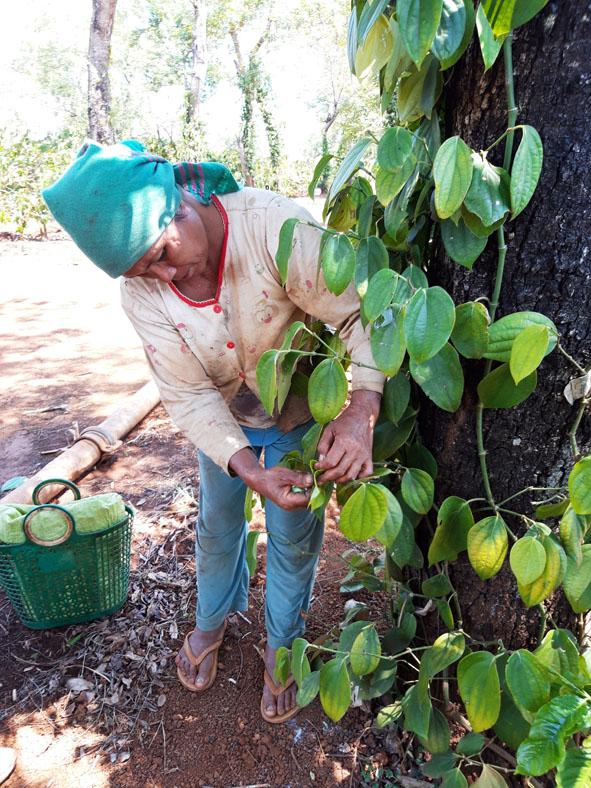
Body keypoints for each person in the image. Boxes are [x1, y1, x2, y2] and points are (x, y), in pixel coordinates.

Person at [43, 140, 384, 723]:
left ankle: (284, 643)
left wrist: (361, 409)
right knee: (218, 525)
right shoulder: (141, 291)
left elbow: (359, 313)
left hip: (298, 418)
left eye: (161, 253)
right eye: (143, 269)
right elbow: (188, 393)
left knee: (294, 537)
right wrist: (248, 469)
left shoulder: (275, 228)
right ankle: (212, 620)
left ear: (177, 203)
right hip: (225, 427)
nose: (163, 274)